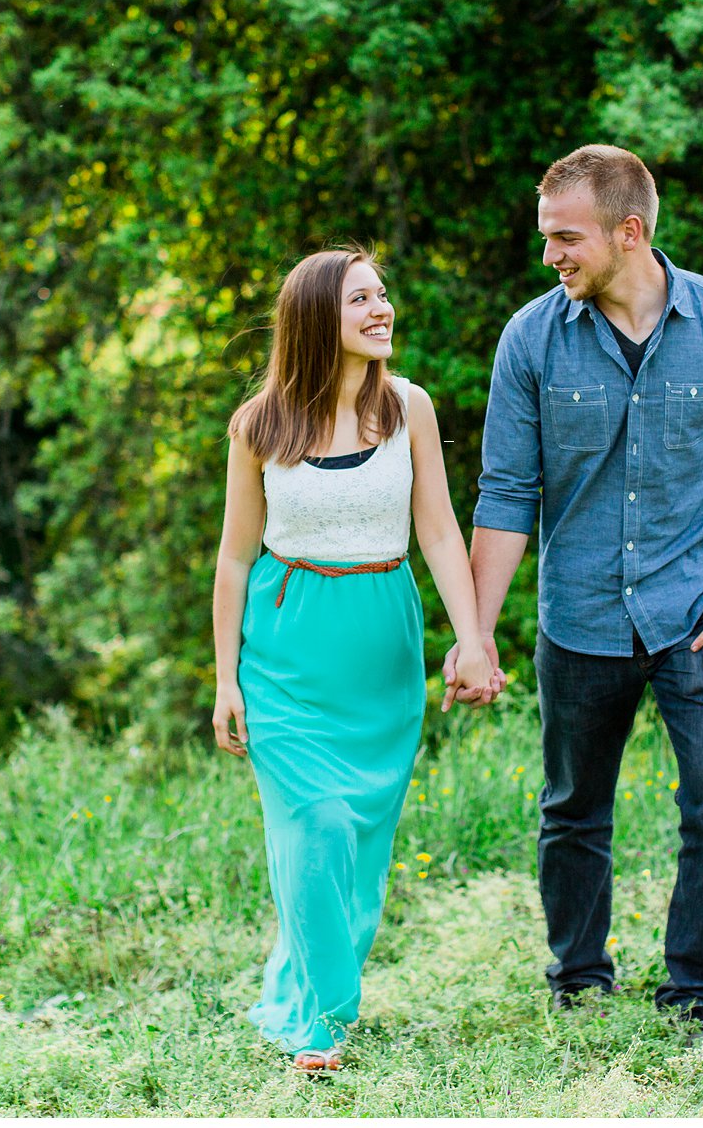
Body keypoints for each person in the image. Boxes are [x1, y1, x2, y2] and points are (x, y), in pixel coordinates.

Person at [450, 144, 703, 1047]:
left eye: (566, 237)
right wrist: (476, 634)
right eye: (546, 239)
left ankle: (697, 998)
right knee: (573, 807)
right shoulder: (531, 337)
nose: (551, 255)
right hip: (582, 612)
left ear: (628, 232)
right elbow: (506, 491)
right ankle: (580, 980)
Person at [211, 245, 498, 1073]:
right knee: (317, 827)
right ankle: (322, 1022)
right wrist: (226, 678)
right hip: (286, 651)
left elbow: (439, 532)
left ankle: (301, 984)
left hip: (382, 648)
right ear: (314, 321)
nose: (382, 311)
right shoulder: (258, 426)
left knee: (362, 843)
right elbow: (234, 558)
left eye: (382, 295)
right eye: (359, 300)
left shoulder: (411, 408)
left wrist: (472, 639)